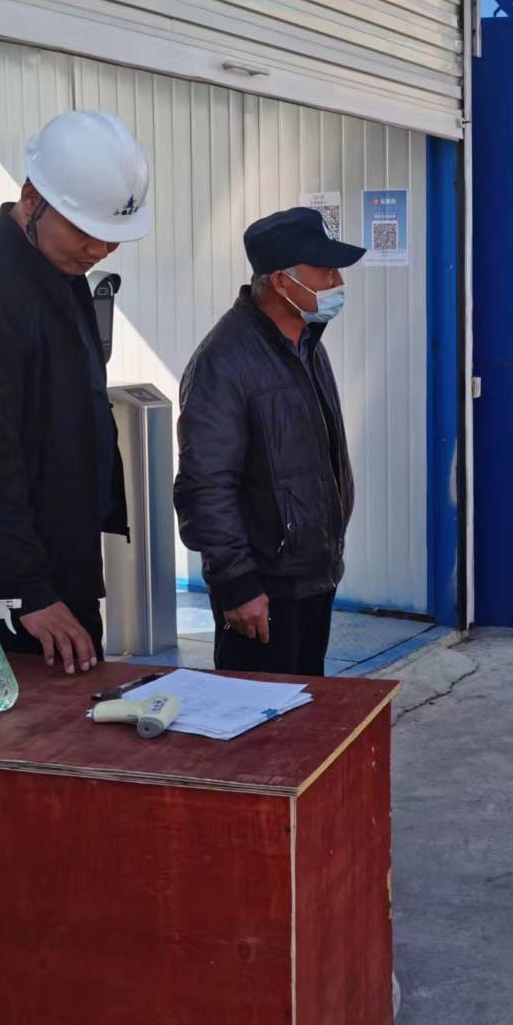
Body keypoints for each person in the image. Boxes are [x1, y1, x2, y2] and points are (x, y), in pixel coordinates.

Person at [0, 110, 152, 672]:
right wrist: (26, 589)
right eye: (85, 231)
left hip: (59, 558)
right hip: (23, 586)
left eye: (112, 238)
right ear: (31, 197)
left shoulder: (56, 269)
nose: (99, 250)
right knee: (36, 717)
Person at [174, 207, 362, 677]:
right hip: (261, 592)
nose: (338, 282)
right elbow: (205, 484)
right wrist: (236, 583)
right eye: (326, 271)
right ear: (280, 281)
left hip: (313, 577)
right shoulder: (223, 361)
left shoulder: (307, 344)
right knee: (260, 716)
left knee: (308, 711)